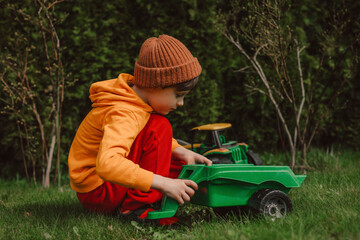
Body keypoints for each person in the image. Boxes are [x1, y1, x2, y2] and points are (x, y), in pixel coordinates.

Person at [68, 35, 212, 225]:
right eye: (178, 95)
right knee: (160, 126)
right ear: (154, 85)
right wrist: (164, 183)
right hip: (99, 190)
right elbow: (108, 164)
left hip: (104, 187)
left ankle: (155, 196)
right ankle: (138, 209)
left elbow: (142, 139)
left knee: (179, 165)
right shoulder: (124, 112)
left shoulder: (135, 103)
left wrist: (180, 151)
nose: (180, 103)